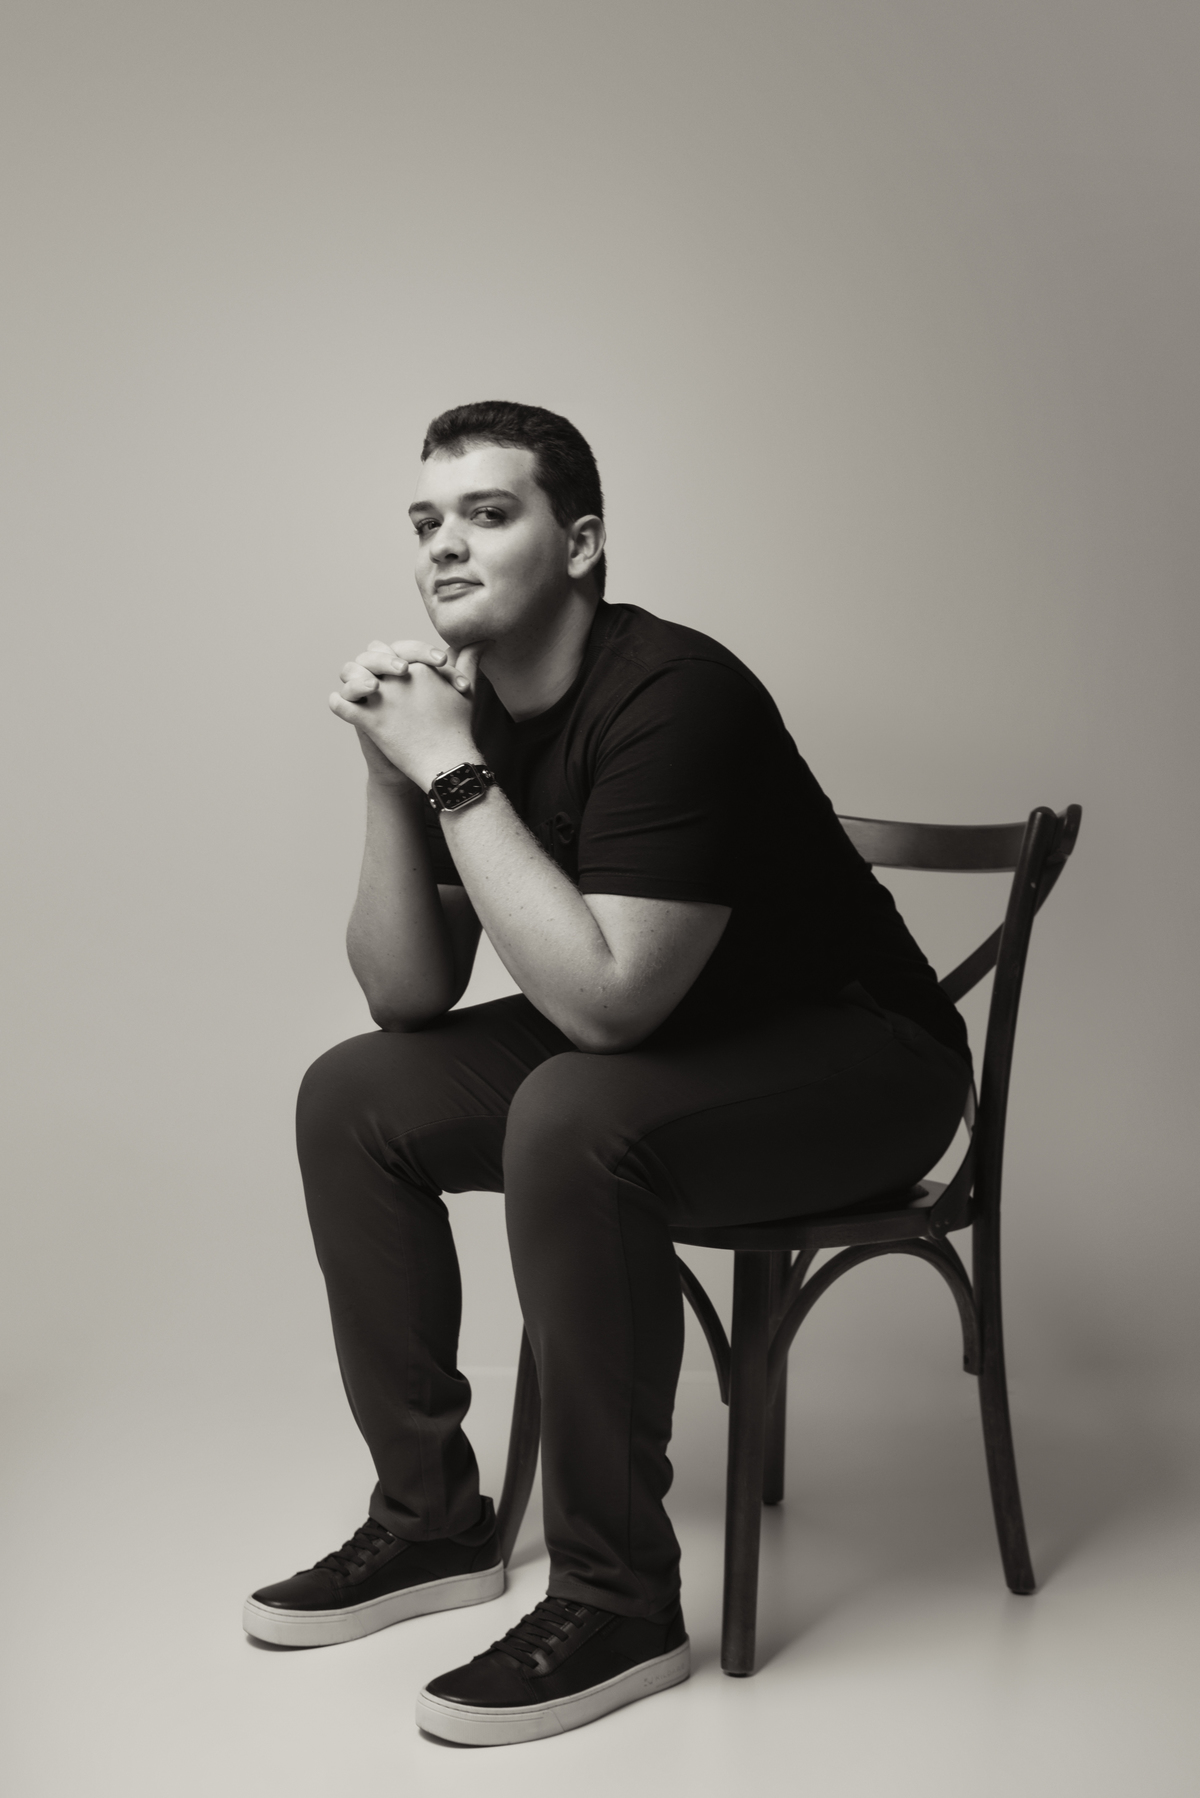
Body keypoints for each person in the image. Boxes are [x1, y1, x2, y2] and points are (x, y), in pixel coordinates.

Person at [241, 400, 971, 1745]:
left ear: (579, 543)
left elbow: (609, 1005)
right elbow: (406, 993)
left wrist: (450, 767)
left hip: (861, 1058)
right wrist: (394, 773)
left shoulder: (677, 695)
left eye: (488, 513)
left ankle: (619, 1600)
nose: (443, 545)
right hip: (679, 1044)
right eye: (425, 520)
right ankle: (431, 1523)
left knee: (573, 1113)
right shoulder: (477, 718)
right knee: (352, 1094)